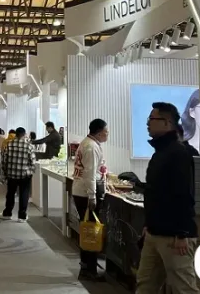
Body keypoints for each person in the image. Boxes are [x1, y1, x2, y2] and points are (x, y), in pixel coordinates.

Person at [136, 102, 198, 294]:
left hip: (174, 237)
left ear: (167, 123)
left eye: (152, 119)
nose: (148, 123)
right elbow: (155, 192)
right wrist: (148, 224)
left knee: (183, 288)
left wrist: (182, 233)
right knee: (145, 285)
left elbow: (184, 194)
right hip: (154, 232)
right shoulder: (160, 153)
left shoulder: (179, 153)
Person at [71, 119, 109, 282]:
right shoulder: (91, 147)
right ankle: (89, 269)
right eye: (106, 131)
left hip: (81, 191)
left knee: (87, 229)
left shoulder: (87, 143)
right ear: (99, 132)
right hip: (85, 194)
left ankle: (87, 267)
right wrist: (92, 196)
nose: (107, 134)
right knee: (91, 232)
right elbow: (90, 174)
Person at [0, 127, 36, 222]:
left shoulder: (9, 145)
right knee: (24, 194)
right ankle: (22, 216)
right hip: (25, 175)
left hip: (11, 174)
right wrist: (30, 172)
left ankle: (7, 213)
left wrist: (5, 173)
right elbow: (33, 162)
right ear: (24, 134)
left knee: (10, 193)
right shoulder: (29, 146)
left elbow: (4, 161)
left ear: (16, 134)